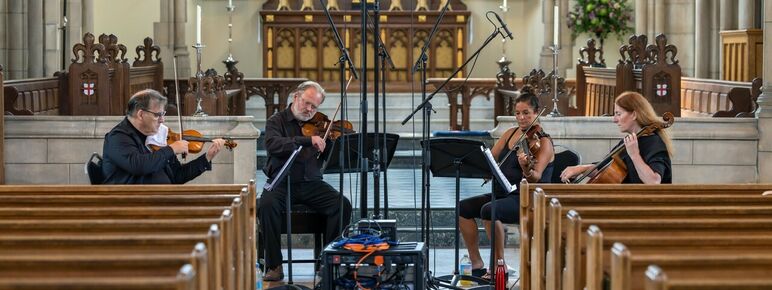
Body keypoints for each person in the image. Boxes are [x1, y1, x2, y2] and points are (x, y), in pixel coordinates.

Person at [259, 80, 352, 281]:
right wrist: (307, 140)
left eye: (314, 106)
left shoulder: (320, 126)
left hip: (311, 183)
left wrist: (332, 145)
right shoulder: (276, 121)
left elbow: (328, 158)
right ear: (296, 97)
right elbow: (273, 144)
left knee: (342, 205)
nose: (309, 110)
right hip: (281, 182)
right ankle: (274, 265)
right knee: (266, 205)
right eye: (306, 103)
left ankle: (327, 262)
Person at [458, 89, 555, 278]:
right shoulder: (510, 134)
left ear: (536, 113)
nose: (521, 118)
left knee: (489, 209)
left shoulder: (544, 142)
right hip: (503, 193)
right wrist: (484, 169)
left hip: (527, 198)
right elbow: (491, 159)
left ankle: (499, 265)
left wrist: (526, 168)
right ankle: (476, 262)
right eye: (517, 113)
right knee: (462, 208)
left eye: (526, 113)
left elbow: (535, 177)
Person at [101, 89, 226, 184]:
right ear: (141, 114)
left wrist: (207, 157)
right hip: (132, 204)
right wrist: (172, 149)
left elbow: (177, 176)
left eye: (163, 114)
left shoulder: (156, 136)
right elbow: (138, 166)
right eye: (158, 115)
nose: (162, 120)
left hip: (160, 199)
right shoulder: (117, 137)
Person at [560, 91, 673, 184]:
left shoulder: (655, 144)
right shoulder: (628, 141)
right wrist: (580, 169)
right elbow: (603, 170)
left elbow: (653, 182)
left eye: (618, 114)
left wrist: (634, 155)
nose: (614, 119)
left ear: (634, 115)